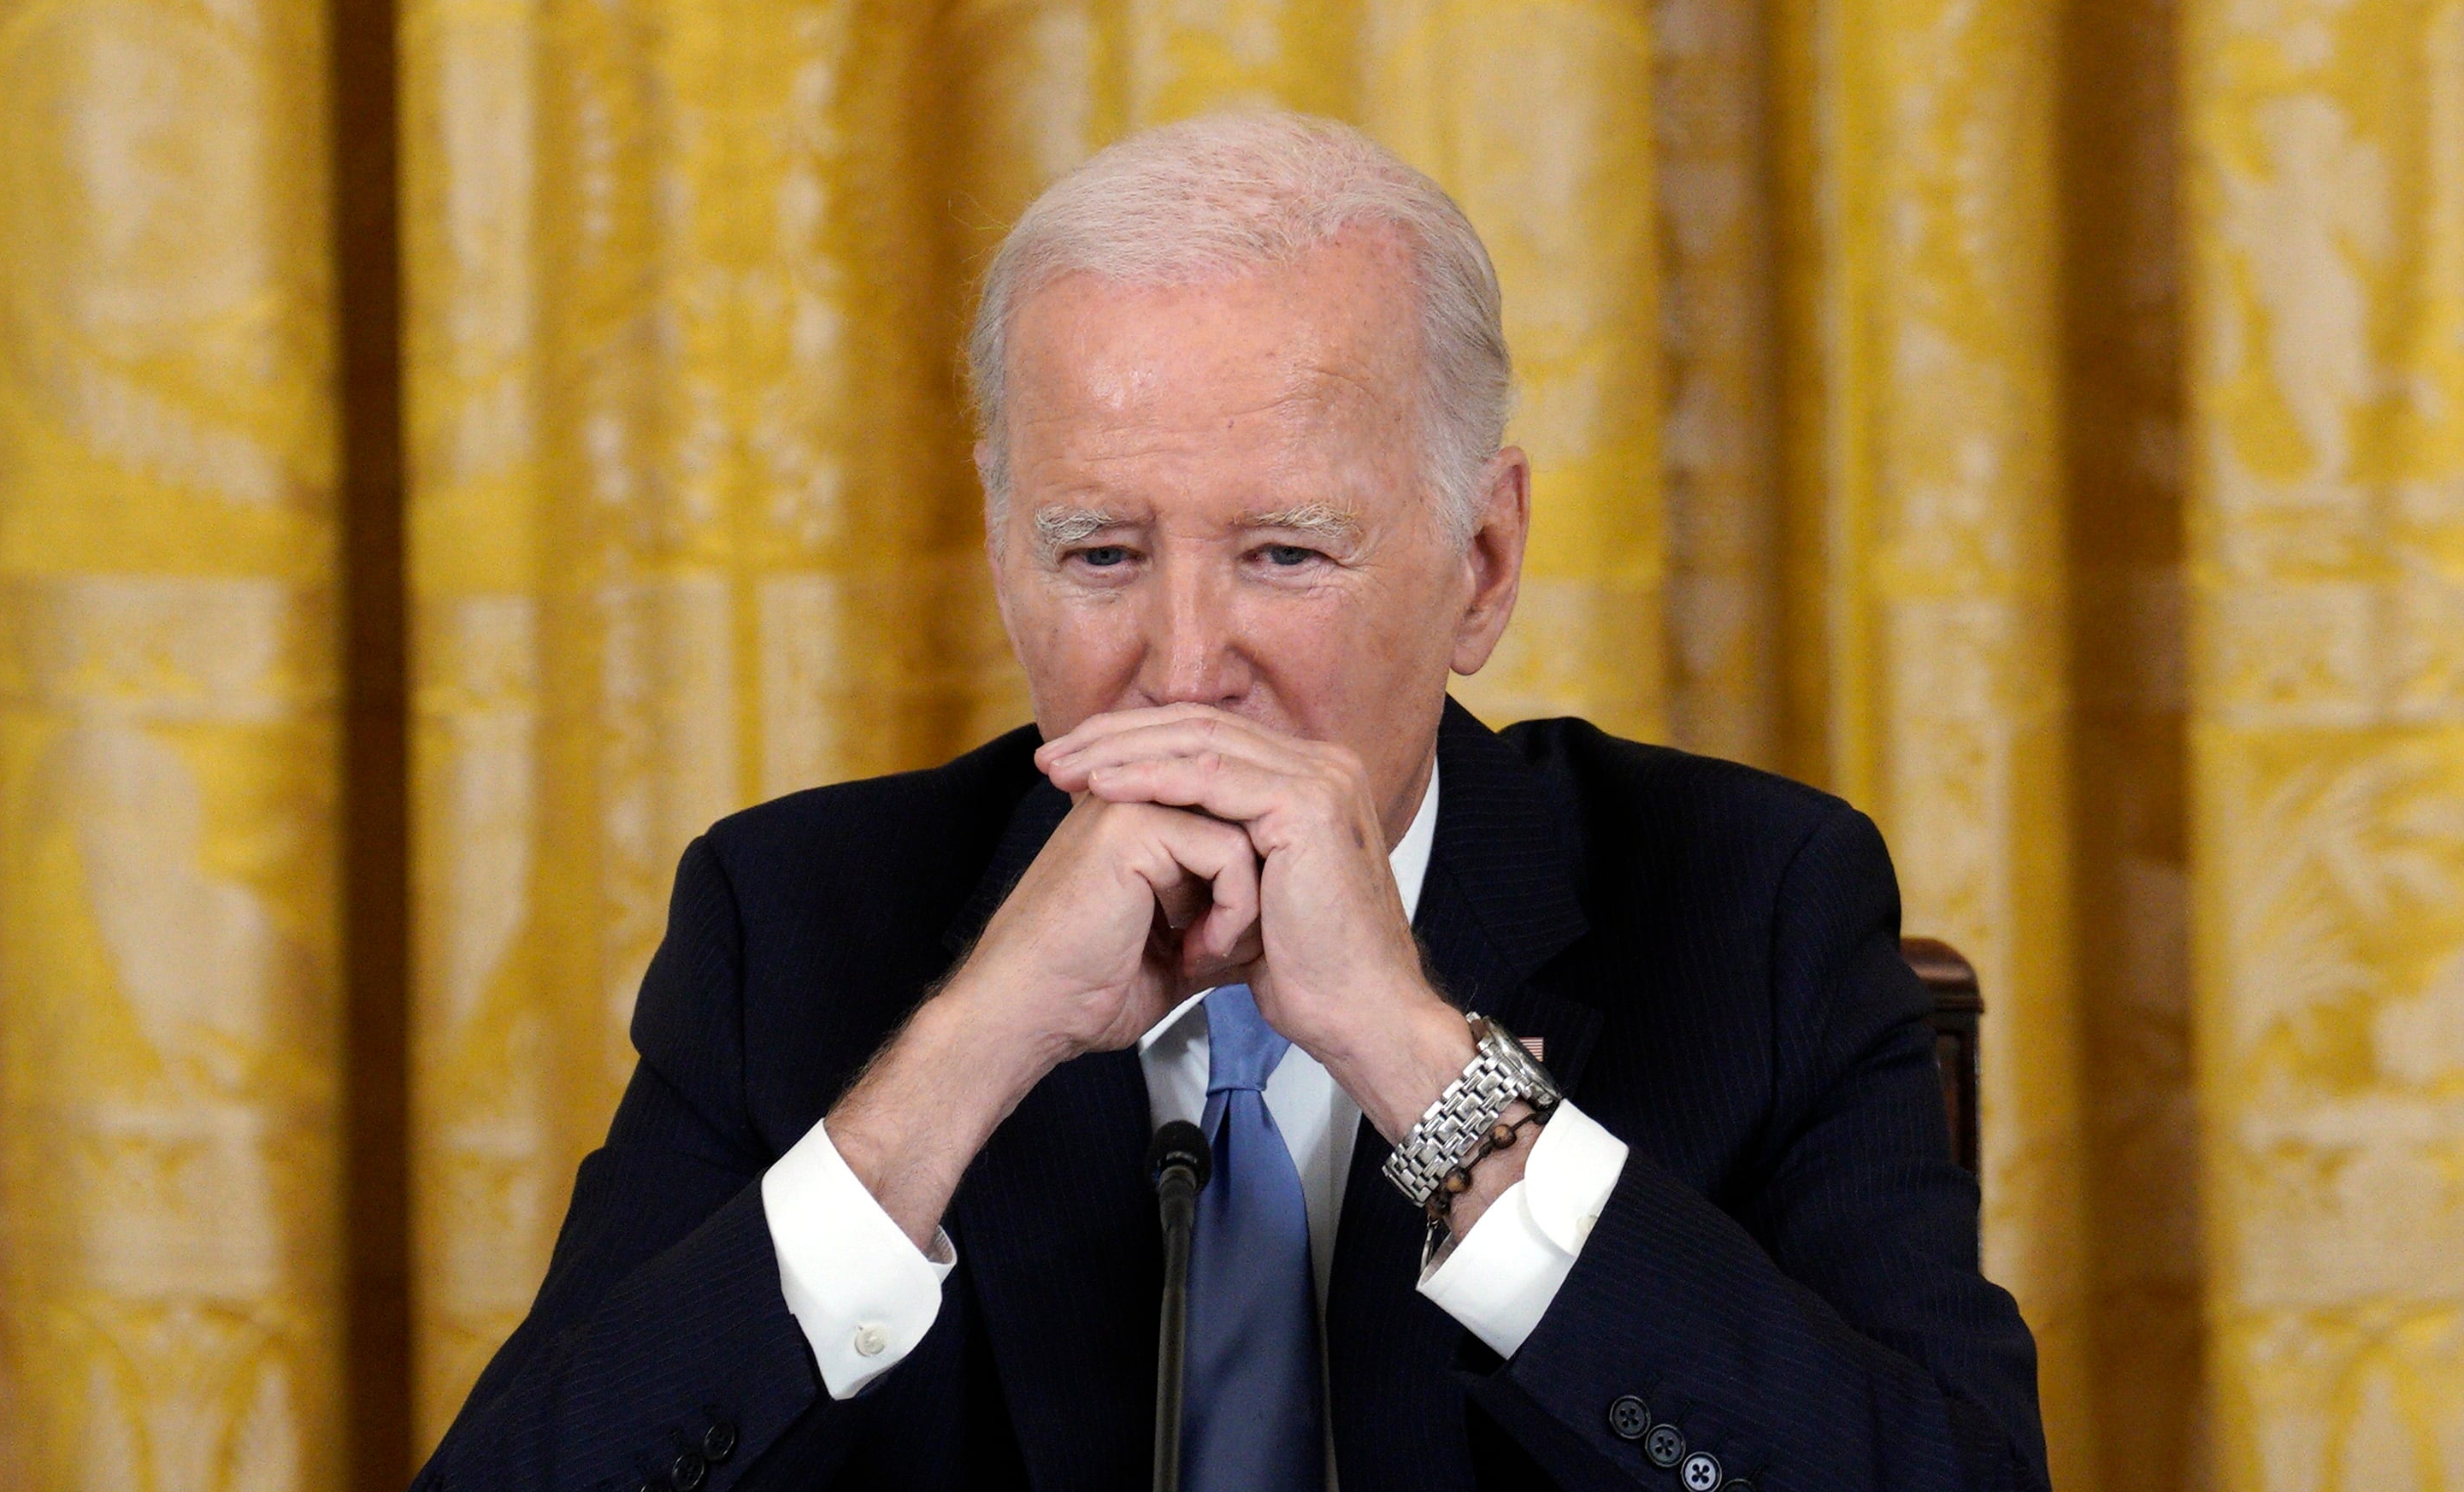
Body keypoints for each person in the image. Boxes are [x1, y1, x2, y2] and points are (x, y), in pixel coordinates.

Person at [415, 111, 2046, 1492]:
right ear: (1003, 559)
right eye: (1098, 554)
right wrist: (963, 1056)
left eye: (1283, 553)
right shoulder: (794, 921)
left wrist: (1421, 1065)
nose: (1185, 669)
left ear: (1481, 567)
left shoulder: (1750, 903)